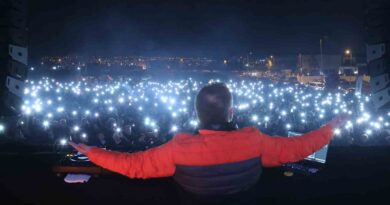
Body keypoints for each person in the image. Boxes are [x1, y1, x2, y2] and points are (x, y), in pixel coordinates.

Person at [70, 82, 346, 196]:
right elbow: (300, 148)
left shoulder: (180, 148)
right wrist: (330, 128)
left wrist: (92, 151)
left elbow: (133, 165)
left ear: (195, 114)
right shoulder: (253, 140)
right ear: (231, 112)